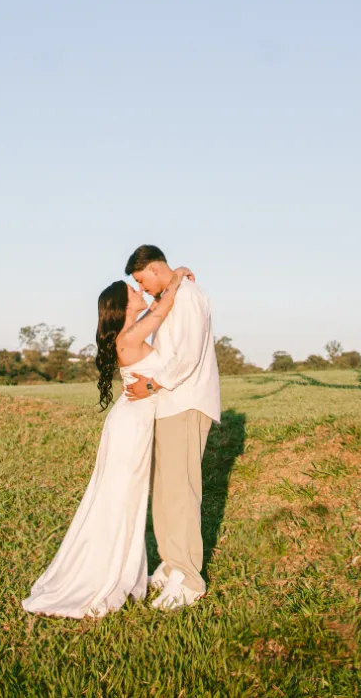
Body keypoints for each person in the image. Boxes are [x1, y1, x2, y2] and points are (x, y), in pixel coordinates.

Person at [21, 264, 194, 619]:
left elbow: (157, 309)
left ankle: (120, 569)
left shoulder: (130, 331)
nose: (139, 289)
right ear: (124, 304)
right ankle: (102, 575)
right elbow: (163, 307)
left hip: (135, 421)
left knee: (124, 500)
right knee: (120, 500)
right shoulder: (129, 335)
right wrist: (177, 276)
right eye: (133, 290)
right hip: (131, 427)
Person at [124, 244, 221, 611]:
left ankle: (190, 578)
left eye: (140, 279)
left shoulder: (190, 296)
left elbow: (189, 354)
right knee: (165, 492)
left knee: (182, 491)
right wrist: (174, 277)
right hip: (168, 405)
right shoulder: (172, 292)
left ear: (153, 267)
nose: (142, 287)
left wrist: (150, 385)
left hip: (186, 402)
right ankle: (171, 562)